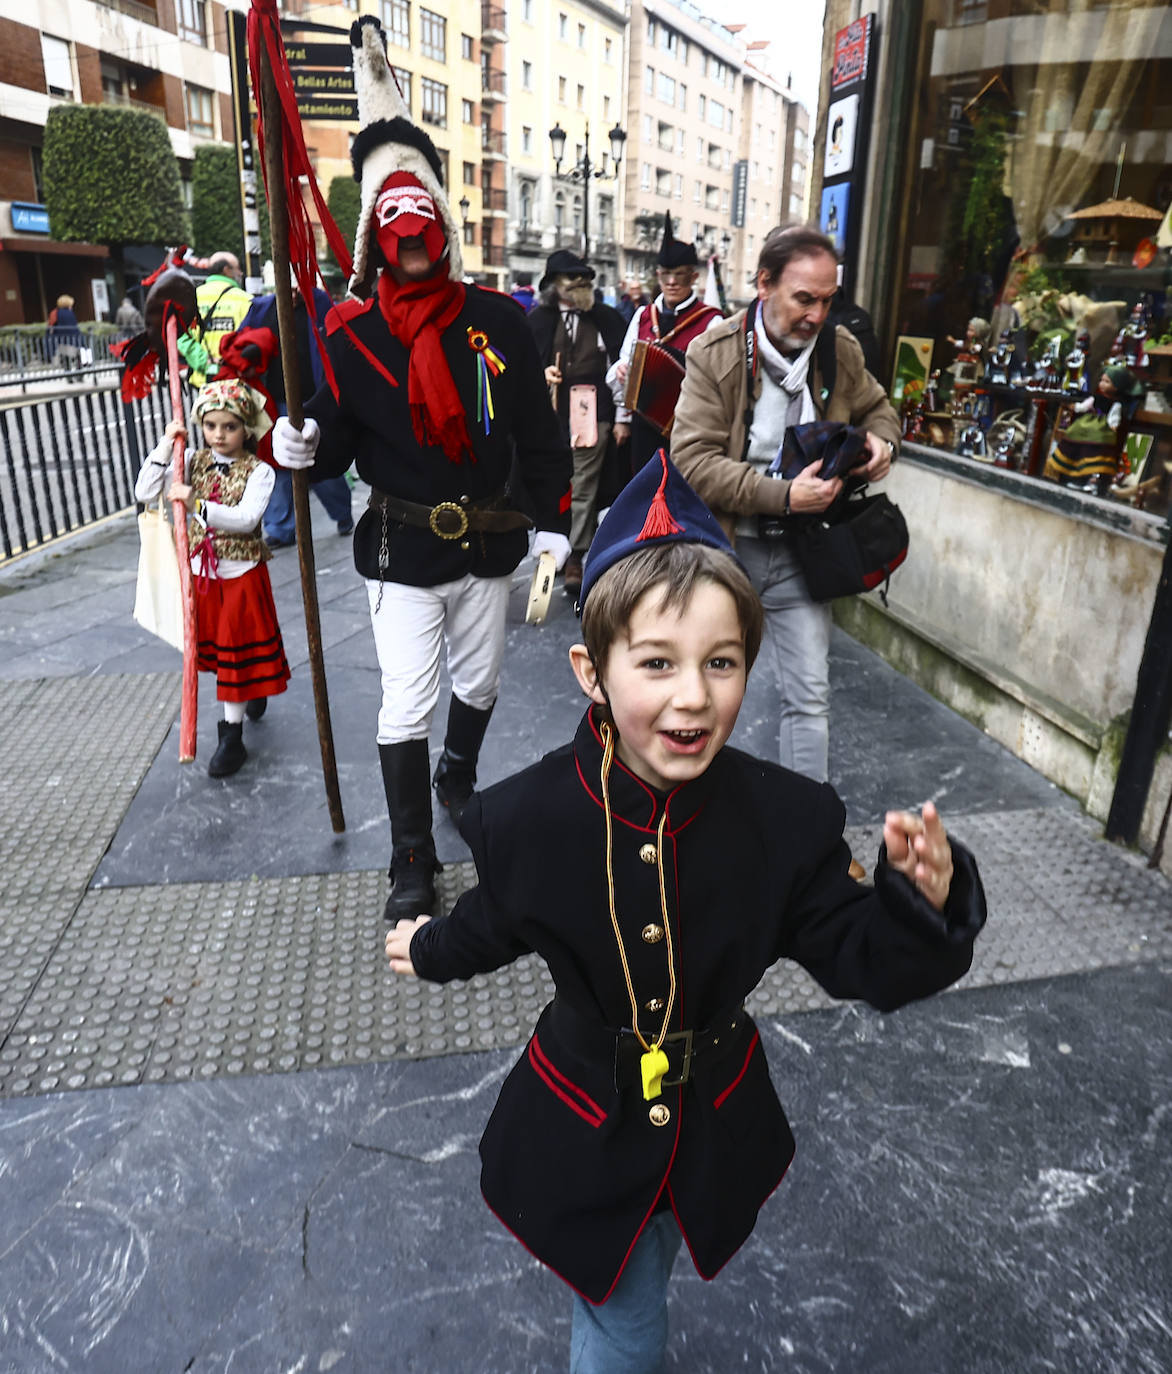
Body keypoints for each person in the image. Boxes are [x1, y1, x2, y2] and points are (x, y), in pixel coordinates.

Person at [384, 452, 988, 1372]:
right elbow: (496, 924)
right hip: (584, 1123)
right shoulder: (527, 819)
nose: (694, 696)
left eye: (722, 662)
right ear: (592, 671)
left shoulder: (786, 822)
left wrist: (918, 905)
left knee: (645, 1268)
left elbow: (860, 956)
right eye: (657, 663)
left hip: (711, 1117)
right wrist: (426, 948)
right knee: (620, 1318)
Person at [273, 16, 572, 922]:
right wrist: (302, 441)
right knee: (405, 697)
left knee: (477, 688)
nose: (411, 230)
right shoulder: (352, 333)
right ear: (374, 234)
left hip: (489, 548)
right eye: (392, 219)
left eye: (423, 215)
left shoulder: (499, 319)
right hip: (401, 553)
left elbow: (535, 426)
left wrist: (553, 515)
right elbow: (341, 426)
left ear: (442, 224)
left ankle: (461, 773)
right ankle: (411, 855)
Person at [672, 223, 902, 783]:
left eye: (828, 300)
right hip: (727, 554)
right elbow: (692, 461)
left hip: (804, 553)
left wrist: (881, 443)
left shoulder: (838, 349)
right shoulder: (714, 351)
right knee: (707, 695)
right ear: (765, 283)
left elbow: (879, 408)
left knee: (809, 697)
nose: (818, 315)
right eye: (805, 298)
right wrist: (783, 496)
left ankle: (812, 833)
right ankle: (698, 817)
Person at [134, 377, 290, 777]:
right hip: (201, 578)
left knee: (236, 657)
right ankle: (249, 695)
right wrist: (168, 445)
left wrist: (197, 503)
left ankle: (231, 737)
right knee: (222, 657)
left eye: (230, 426)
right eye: (211, 425)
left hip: (241, 576)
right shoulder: (191, 459)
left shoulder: (260, 472)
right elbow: (145, 489)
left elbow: (246, 519)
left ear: (247, 428)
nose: (219, 435)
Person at [527, 248, 628, 595]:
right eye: (572, 279)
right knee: (554, 482)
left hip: (592, 411)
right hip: (550, 415)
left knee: (583, 484)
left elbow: (624, 367)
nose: (581, 285)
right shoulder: (538, 320)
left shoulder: (607, 319)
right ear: (555, 285)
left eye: (585, 279)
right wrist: (541, 374)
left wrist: (621, 417)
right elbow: (521, 369)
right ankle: (552, 545)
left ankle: (576, 554)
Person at [240, 279, 355, 546]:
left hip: (311, 399)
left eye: (296, 287)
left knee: (316, 461)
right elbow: (242, 339)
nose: (291, 293)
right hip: (270, 402)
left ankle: (342, 512)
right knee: (276, 464)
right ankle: (281, 528)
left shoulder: (321, 303)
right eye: (286, 287)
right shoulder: (261, 308)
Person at [608, 213, 723, 472]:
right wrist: (622, 417)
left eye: (680, 275)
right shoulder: (643, 316)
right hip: (642, 428)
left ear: (693, 277)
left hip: (688, 430)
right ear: (658, 275)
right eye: (666, 274)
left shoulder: (711, 322)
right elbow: (625, 363)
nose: (671, 282)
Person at [177, 252, 253, 387]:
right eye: (238, 268)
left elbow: (181, 337)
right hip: (236, 381)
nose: (240, 273)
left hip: (203, 382)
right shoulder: (246, 300)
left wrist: (205, 363)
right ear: (227, 270)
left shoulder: (191, 297)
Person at [49, 294, 82, 374]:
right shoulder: (70, 313)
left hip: (62, 339)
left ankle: (68, 376)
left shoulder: (55, 313)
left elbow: (52, 325)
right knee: (77, 358)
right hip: (74, 339)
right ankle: (80, 375)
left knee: (66, 359)